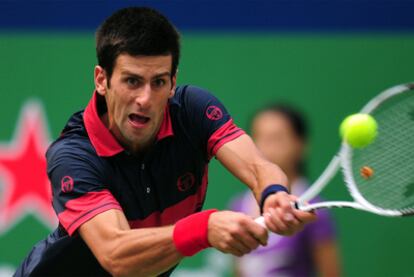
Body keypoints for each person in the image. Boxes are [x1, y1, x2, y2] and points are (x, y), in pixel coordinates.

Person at [14, 7, 316, 277]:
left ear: (173, 82)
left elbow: (257, 165)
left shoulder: (192, 112)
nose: (145, 99)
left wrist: (273, 194)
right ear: (102, 80)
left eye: (158, 82)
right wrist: (204, 229)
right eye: (132, 81)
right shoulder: (74, 156)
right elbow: (116, 254)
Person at [230, 104, 341, 277]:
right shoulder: (238, 206)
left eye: (276, 138)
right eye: (258, 138)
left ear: (300, 145)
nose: (265, 148)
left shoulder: (315, 210)